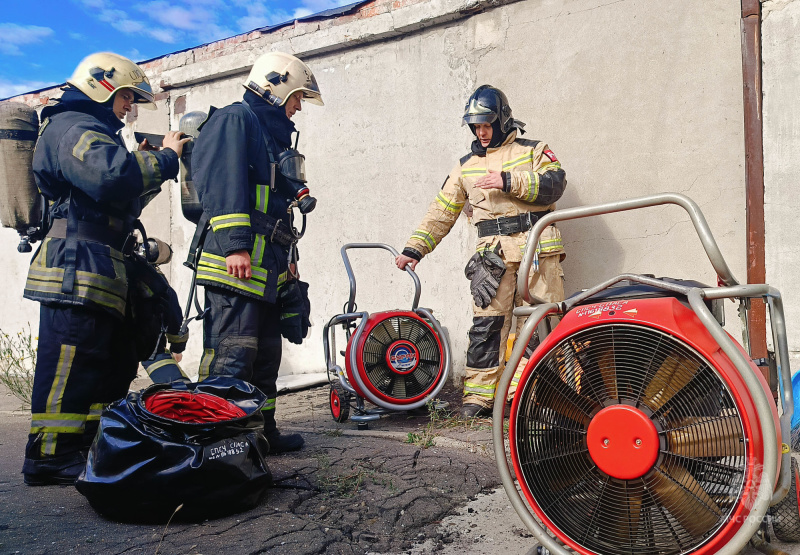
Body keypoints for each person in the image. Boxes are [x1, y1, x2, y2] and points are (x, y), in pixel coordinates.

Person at [22, 52, 190, 485]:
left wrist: (146, 169)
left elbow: (119, 196)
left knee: (104, 364)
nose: (129, 108)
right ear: (103, 87)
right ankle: (50, 456)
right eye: (126, 98)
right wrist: (166, 159)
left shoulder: (94, 132)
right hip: (74, 267)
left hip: (98, 267)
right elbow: (110, 177)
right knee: (71, 364)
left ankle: (87, 445)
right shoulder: (73, 127)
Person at [395, 85, 567, 418]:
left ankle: (539, 397)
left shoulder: (534, 150)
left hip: (537, 253)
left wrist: (507, 180)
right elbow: (442, 210)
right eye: (475, 126)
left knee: (541, 325)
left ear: (502, 119)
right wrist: (414, 249)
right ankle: (479, 396)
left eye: (487, 124)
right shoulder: (466, 166)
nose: (481, 132)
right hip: (492, 257)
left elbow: (555, 184)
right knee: (486, 326)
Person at [191, 51, 321, 454]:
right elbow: (221, 182)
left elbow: (274, 207)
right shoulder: (236, 119)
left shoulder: (269, 136)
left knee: (265, 358)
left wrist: (289, 264)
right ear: (275, 86)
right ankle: (217, 445)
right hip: (237, 267)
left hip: (266, 270)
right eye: (297, 97)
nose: (298, 107)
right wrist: (235, 246)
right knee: (232, 358)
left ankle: (260, 433)